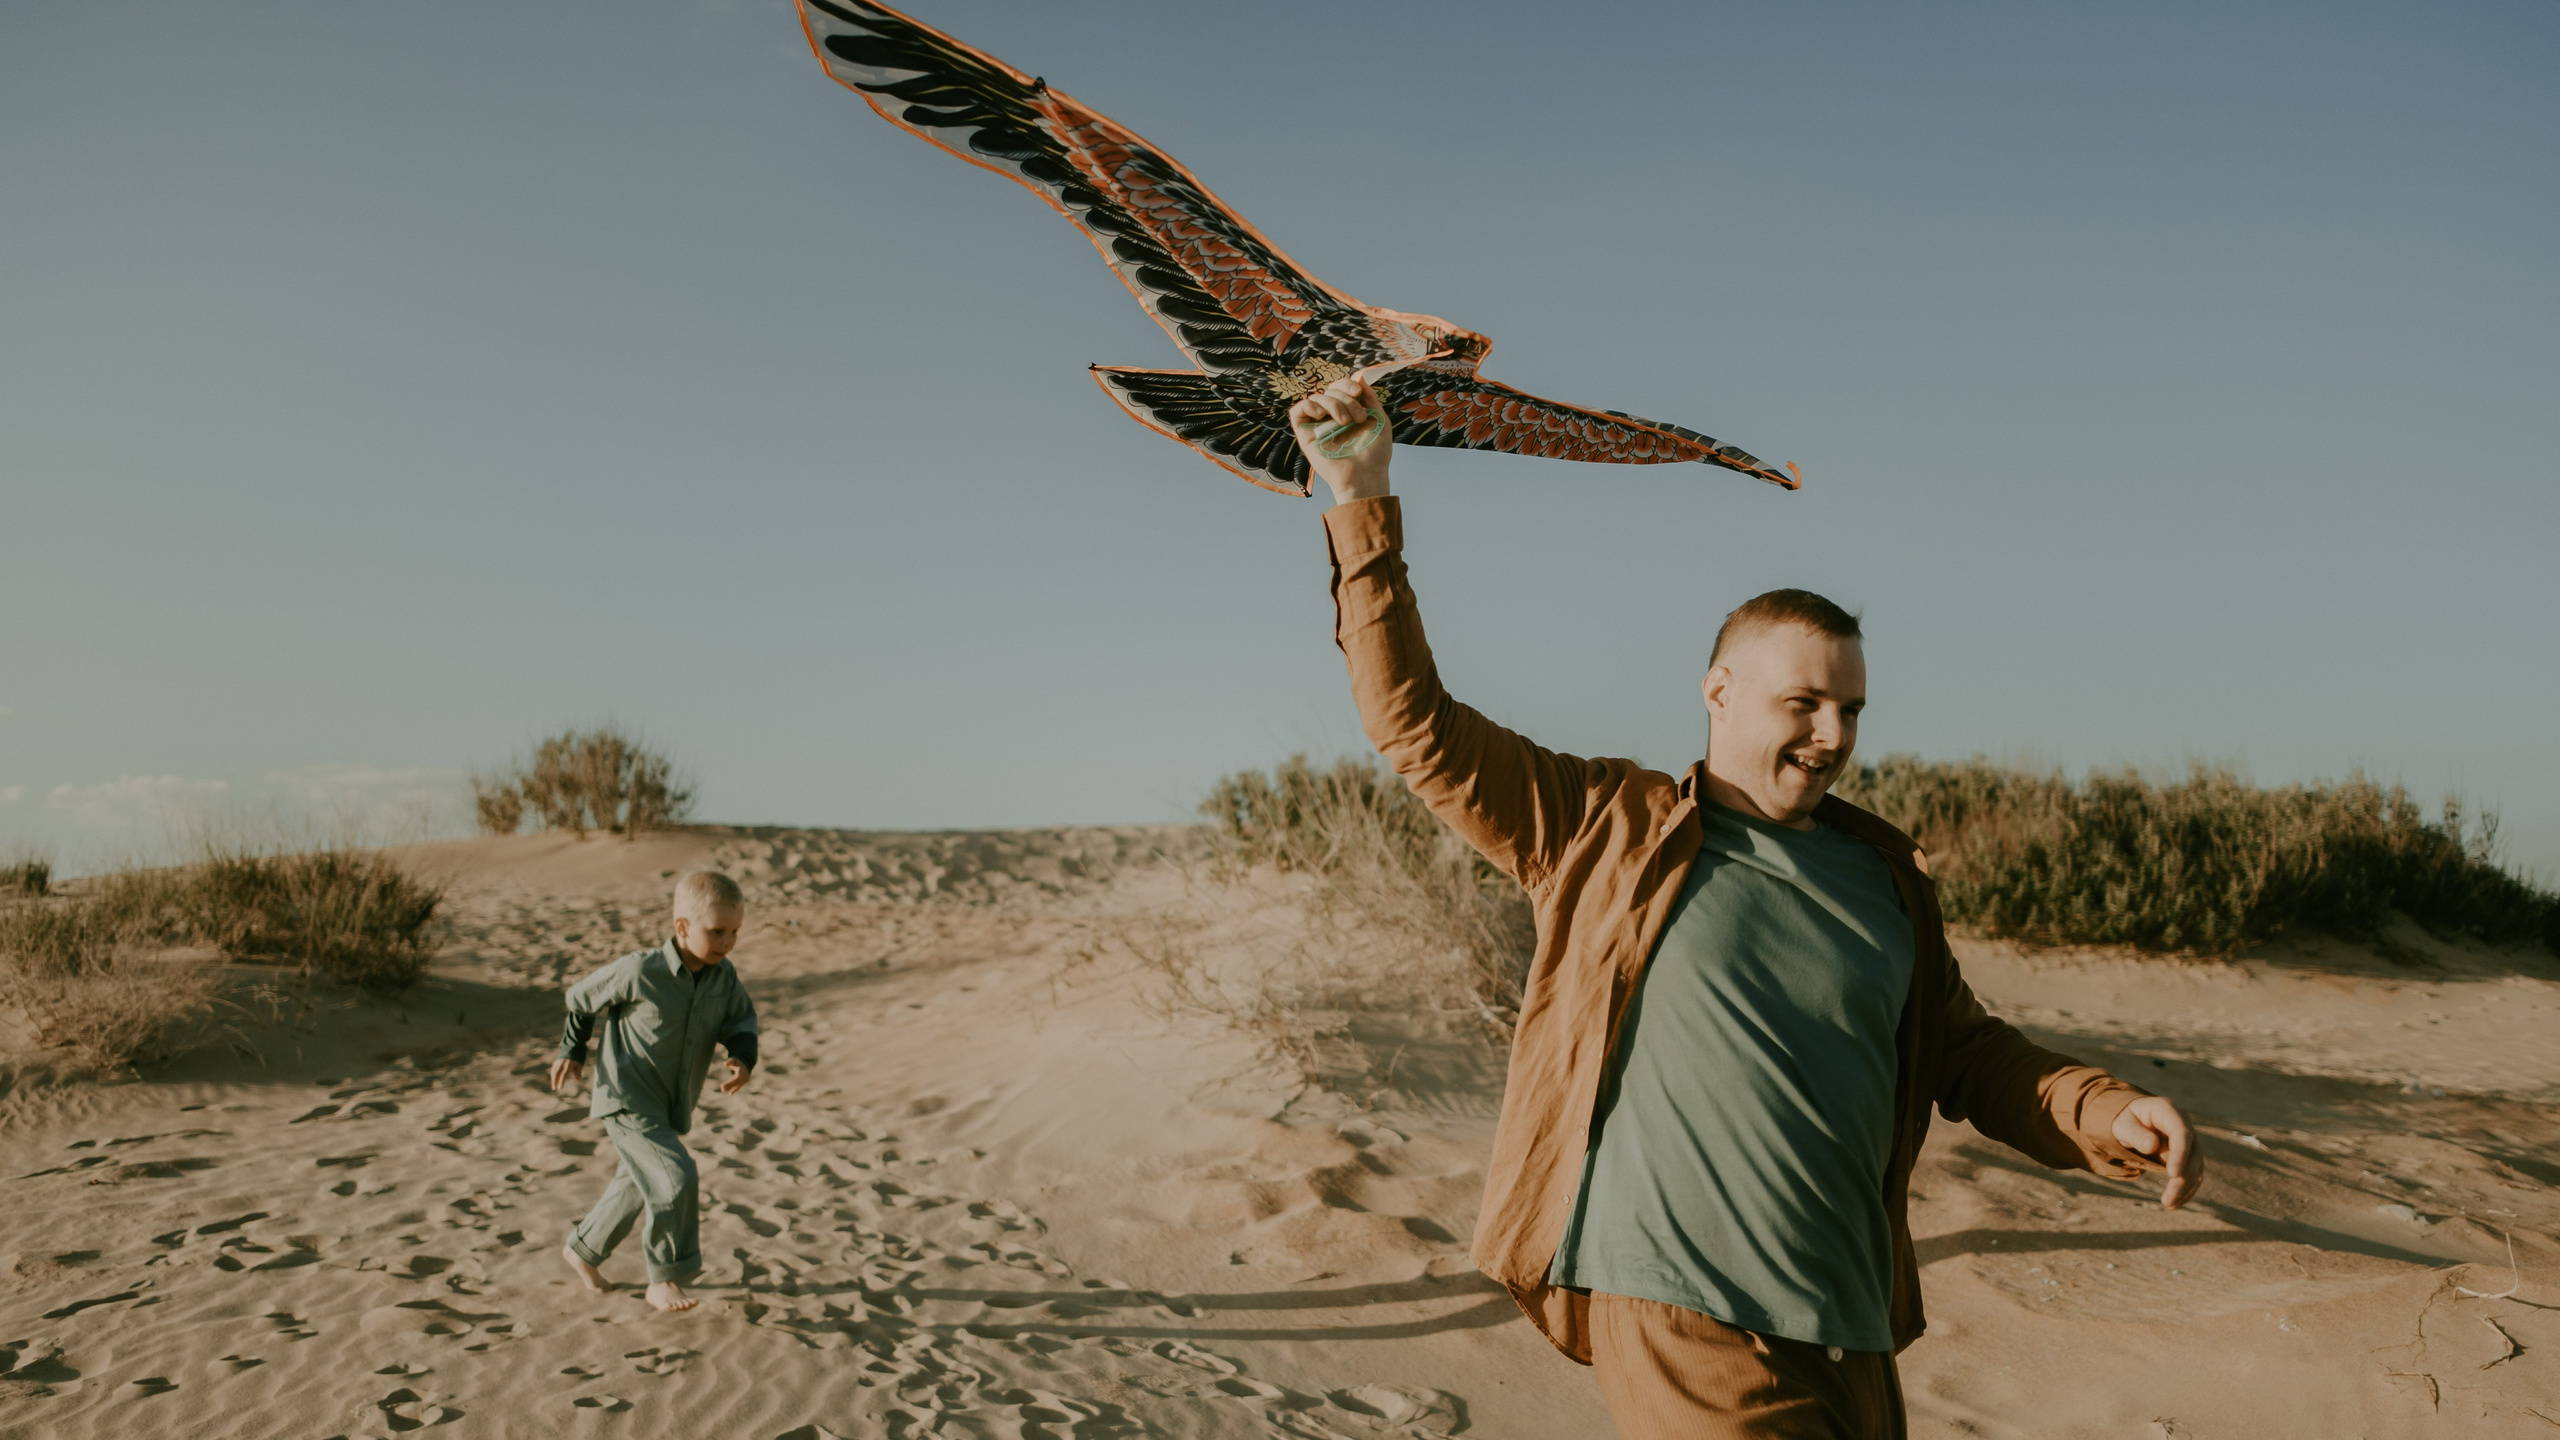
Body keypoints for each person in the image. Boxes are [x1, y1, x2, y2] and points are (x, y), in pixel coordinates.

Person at [1285, 378, 2203, 1440]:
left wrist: (2102, 1111)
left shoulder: (1883, 879)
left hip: (1850, 1324)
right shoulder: (1602, 827)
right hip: (1680, 1305)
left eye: (1849, 709)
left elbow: (1967, 1055)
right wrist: (1359, 495)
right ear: (1718, 690)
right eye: (1801, 703)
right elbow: (1415, 727)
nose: (1831, 734)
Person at [549, 870, 761, 1314]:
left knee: (637, 1181)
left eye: (735, 931)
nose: (727, 942)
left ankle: (583, 1249)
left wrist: (741, 1058)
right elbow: (580, 998)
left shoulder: (723, 979)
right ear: (682, 927)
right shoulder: (639, 970)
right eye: (716, 931)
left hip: (670, 1102)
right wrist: (573, 1048)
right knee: (676, 1176)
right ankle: (664, 1278)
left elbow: (740, 1021)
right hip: (625, 1096)